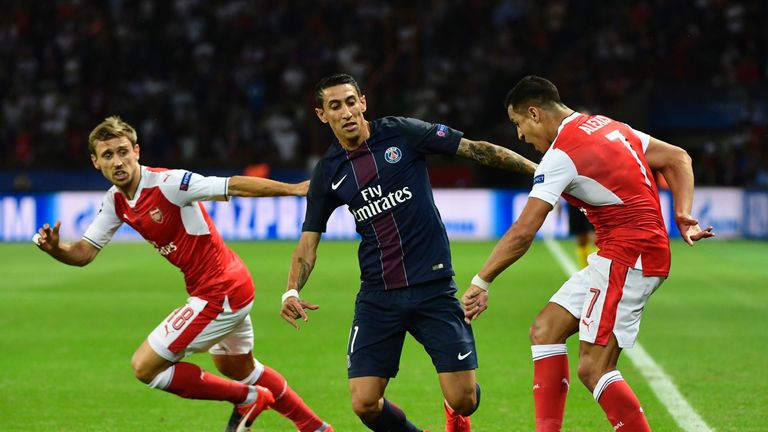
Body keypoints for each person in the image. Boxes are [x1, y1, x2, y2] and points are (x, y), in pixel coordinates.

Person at [32, 116, 333, 432]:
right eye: (108, 155)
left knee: (145, 367)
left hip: (221, 290)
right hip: (223, 286)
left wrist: (294, 189)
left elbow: (232, 184)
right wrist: (56, 249)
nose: (117, 161)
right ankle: (315, 427)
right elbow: (84, 252)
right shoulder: (116, 201)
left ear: (137, 151)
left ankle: (248, 398)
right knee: (238, 366)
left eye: (123, 151)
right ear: (96, 162)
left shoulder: (169, 184)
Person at [278, 73, 538, 432]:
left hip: (433, 286)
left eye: (351, 101)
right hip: (378, 296)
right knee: (364, 402)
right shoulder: (328, 172)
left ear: (363, 102)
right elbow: (308, 243)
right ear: (322, 115)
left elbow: (475, 149)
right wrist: (292, 289)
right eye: (335, 106)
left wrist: (540, 174)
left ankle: (454, 410)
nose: (347, 112)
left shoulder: (401, 132)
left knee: (465, 400)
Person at [461, 76, 714, 431]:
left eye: (518, 124)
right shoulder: (608, 125)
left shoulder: (561, 154)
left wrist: (481, 281)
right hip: (623, 252)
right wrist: (682, 214)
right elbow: (677, 157)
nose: (520, 136)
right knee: (545, 330)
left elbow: (523, 231)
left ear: (534, 113)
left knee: (594, 369)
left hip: (629, 256)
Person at [567, 203, 595, 268]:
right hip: (573, 203)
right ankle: (584, 269)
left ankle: (600, 269)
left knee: (596, 237)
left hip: (591, 202)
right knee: (580, 239)